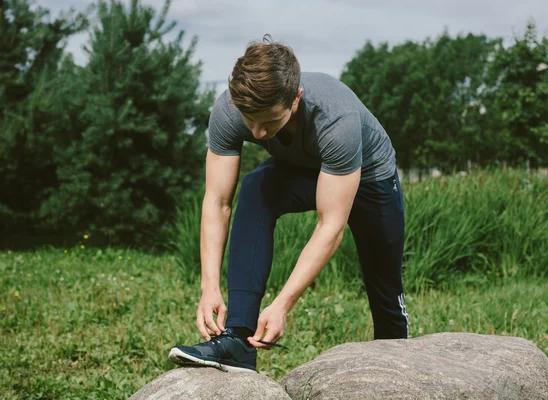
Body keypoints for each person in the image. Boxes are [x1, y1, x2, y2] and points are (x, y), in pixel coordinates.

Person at [168, 35, 409, 373]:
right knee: (255, 189)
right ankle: (237, 338)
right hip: (304, 167)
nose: (258, 133)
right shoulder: (230, 109)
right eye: (250, 121)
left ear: (296, 98)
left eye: (270, 122)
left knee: (385, 289)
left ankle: (399, 367)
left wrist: (282, 304)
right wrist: (209, 287)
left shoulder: (336, 119)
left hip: (371, 178)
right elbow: (217, 201)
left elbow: (331, 225)